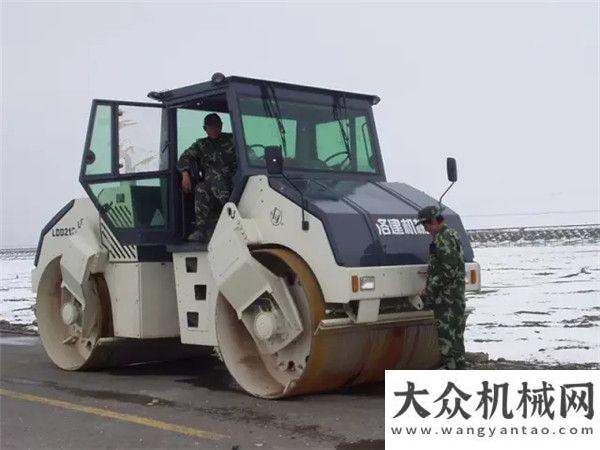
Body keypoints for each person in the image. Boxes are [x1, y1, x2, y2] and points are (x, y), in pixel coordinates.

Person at [417, 205, 467, 369]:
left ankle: (451, 370)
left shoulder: (442, 239)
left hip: (447, 299)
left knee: (447, 338)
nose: (426, 230)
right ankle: (459, 368)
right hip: (455, 296)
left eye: (426, 225)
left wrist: (429, 289)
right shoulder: (452, 234)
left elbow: (448, 270)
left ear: (432, 222)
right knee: (457, 336)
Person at [177, 113, 237, 242]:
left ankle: (233, 214)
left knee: (212, 176)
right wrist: (185, 174)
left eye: (217, 126)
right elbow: (184, 157)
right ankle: (201, 230)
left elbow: (250, 154)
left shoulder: (232, 140)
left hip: (234, 181)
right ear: (205, 129)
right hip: (213, 185)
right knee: (201, 187)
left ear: (221, 127)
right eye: (211, 127)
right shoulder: (201, 145)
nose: (214, 130)